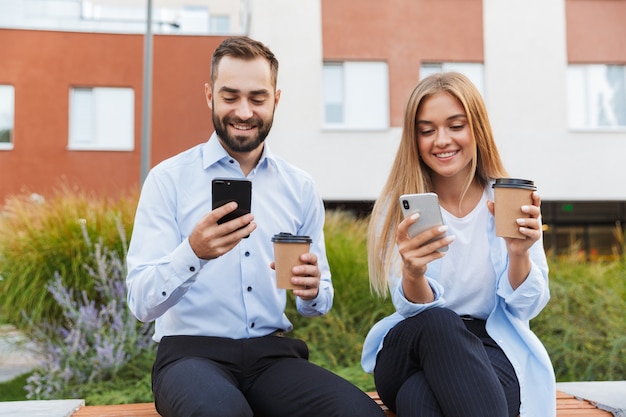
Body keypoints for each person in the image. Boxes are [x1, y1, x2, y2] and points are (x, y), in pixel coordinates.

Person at [126, 36, 386, 417]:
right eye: (230, 96)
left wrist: (311, 290)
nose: (244, 111)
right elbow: (140, 304)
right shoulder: (168, 180)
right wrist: (193, 252)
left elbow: (318, 302)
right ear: (209, 96)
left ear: (275, 100)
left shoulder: (299, 187)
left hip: (272, 357)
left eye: (257, 98)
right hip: (190, 357)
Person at [361, 72, 556, 417]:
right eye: (427, 130)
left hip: (488, 346)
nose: (441, 140)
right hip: (410, 345)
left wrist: (518, 255)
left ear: (476, 129)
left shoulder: (508, 199)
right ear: (414, 138)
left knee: (419, 399)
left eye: (455, 125)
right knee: (440, 322)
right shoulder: (400, 207)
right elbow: (412, 310)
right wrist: (413, 273)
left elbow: (526, 309)